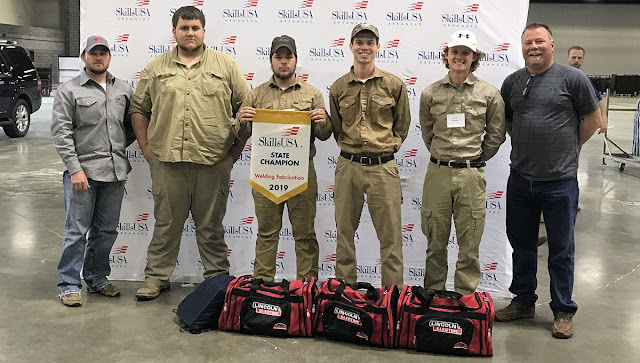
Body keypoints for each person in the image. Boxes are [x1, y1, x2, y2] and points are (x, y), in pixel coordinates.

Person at [129, 6, 250, 300]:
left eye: (195, 27)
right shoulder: (156, 68)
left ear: (204, 31)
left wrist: (232, 153)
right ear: (174, 32)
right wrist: (146, 148)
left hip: (213, 162)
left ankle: (218, 280)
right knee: (166, 225)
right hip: (167, 162)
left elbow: (246, 111)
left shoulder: (226, 66)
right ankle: (156, 277)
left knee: (211, 227)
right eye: (184, 28)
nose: (190, 33)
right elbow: (139, 109)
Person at [495, 23, 601, 339]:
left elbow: (593, 120)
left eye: (540, 41)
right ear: (522, 47)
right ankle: (524, 301)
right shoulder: (512, 82)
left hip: (560, 183)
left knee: (561, 249)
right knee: (522, 246)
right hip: (521, 180)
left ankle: (563, 311)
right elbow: (510, 120)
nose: (534, 47)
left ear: (552, 44)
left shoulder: (574, 79)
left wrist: (566, 148)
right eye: (528, 42)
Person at [233, 35, 332, 281]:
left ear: (296, 59)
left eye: (288, 56)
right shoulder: (256, 95)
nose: (284, 62)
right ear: (271, 60)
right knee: (267, 233)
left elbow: (324, 135)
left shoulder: (312, 94)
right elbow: (242, 133)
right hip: (266, 172)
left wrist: (323, 121)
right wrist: (241, 120)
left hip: (302, 172)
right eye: (279, 57)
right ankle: (263, 289)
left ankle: (306, 290)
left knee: (305, 234)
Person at [419, 30, 506, 295]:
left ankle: (465, 297)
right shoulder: (429, 93)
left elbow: (496, 134)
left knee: (470, 241)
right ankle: (433, 295)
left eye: (465, 52)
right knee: (435, 240)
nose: (459, 57)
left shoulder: (489, 94)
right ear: (446, 55)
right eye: (454, 51)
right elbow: (427, 132)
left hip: (470, 175)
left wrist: (477, 158)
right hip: (438, 173)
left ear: (474, 57)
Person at [51, 35, 134, 307]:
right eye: (93, 53)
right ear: (83, 57)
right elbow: (61, 133)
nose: (98, 57)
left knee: (106, 231)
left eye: (103, 53)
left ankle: (97, 277)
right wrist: (75, 169)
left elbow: (130, 127)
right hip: (82, 174)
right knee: (76, 231)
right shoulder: (69, 90)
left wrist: (118, 150)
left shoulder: (123, 89)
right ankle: (68, 283)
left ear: (109, 57)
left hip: (115, 172)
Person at [329, 23, 411, 287]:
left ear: (378, 47)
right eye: (359, 42)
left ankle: (393, 299)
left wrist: (386, 146)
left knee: (390, 237)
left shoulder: (394, 85)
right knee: (344, 234)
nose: (364, 47)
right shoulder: (339, 87)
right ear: (351, 46)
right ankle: (346, 296)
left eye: (369, 42)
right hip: (348, 166)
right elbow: (337, 127)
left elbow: (402, 125)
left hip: (382, 168)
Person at [567, 46, 608, 133]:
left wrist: (603, 118)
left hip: (576, 126)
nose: (576, 60)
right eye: (574, 57)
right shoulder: (560, 76)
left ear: (583, 60)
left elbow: (598, 99)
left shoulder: (584, 79)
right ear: (568, 58)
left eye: (579, 58)